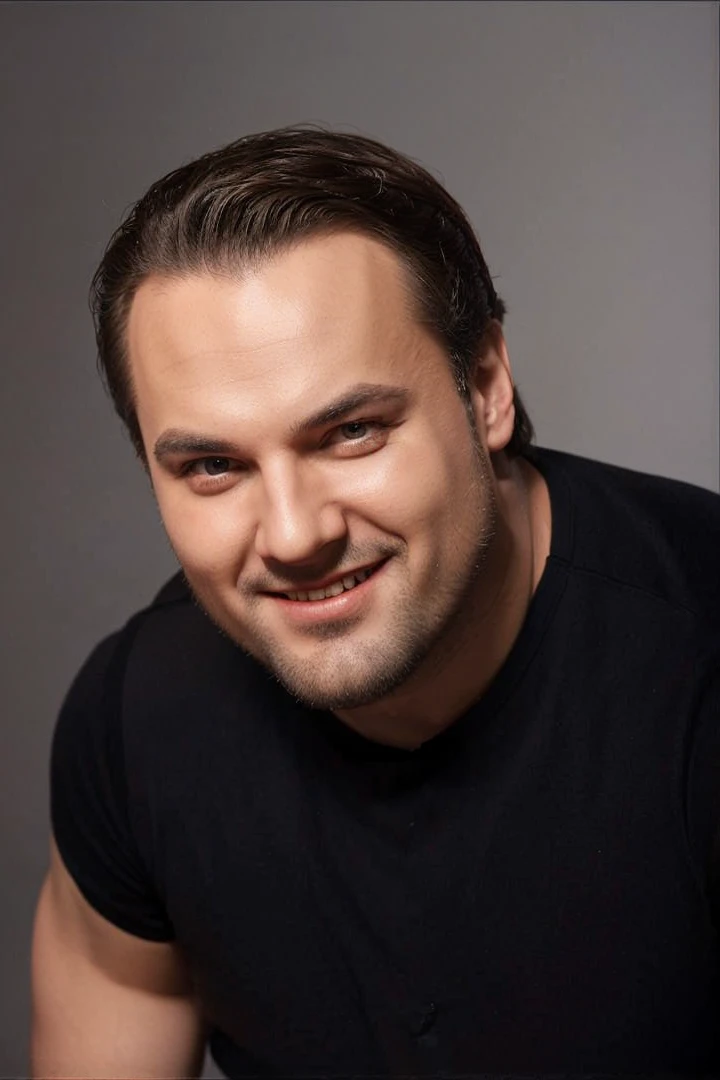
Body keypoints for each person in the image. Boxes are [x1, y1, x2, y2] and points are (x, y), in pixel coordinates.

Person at [31, 127, 720, 1080]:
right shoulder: (137, 722)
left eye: (351, 431)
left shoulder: (696, 662)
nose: (292, 533)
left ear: (484, 390)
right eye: (213, 466)